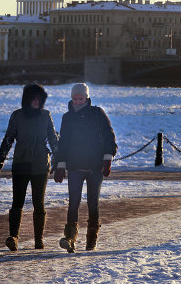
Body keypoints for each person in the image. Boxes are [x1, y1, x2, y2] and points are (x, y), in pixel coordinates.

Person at [0, 84, 59, 251]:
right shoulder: (17, 116)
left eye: (39, 98)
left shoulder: (46, 115)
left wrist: (59, 161)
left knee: (39, 203)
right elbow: (8, 140)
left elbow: (53, 139)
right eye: (33, 98)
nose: (36, 101)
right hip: (21, 163)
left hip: (41, 165)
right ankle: (14, 237)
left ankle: (38, 239)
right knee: (17, 202)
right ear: (27, 99)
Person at [53, 83, 117, 253]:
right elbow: (63, 142)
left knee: (92, 203)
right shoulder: (67, 117)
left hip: (95, 166)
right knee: (73, 202)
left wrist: (107, 159)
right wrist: (60, 164)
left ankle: (91, 238)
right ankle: (70, 238)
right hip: (75, 165)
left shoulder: (97, 113)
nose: (78, 101)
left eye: (81, 98)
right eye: (75, 98)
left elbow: (109, 136)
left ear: (87, 97)